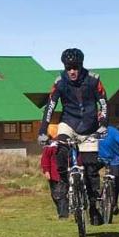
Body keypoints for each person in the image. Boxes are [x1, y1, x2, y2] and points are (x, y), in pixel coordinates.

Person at [37, 47, 108, 225]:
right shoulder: (60, 82)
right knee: (60, 147)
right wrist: (42, 130)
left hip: (90, 127)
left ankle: (93, 208)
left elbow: (103, 102)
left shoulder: (93, 80)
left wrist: (103, 124)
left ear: (81, 65)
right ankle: (64, 181)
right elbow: (50, 106)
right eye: (69, 68)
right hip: (68, 123)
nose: (72, 71)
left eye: (75, 67)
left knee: (92, 170)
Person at [40, 138, 69, 220]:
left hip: (64, 174)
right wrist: (46, 171)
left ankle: (63, 215)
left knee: (61, 194)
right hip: (53, 175)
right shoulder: (50, 146)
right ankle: (61, 212)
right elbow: (45, 159)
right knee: (55, 195)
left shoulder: (68, 144)